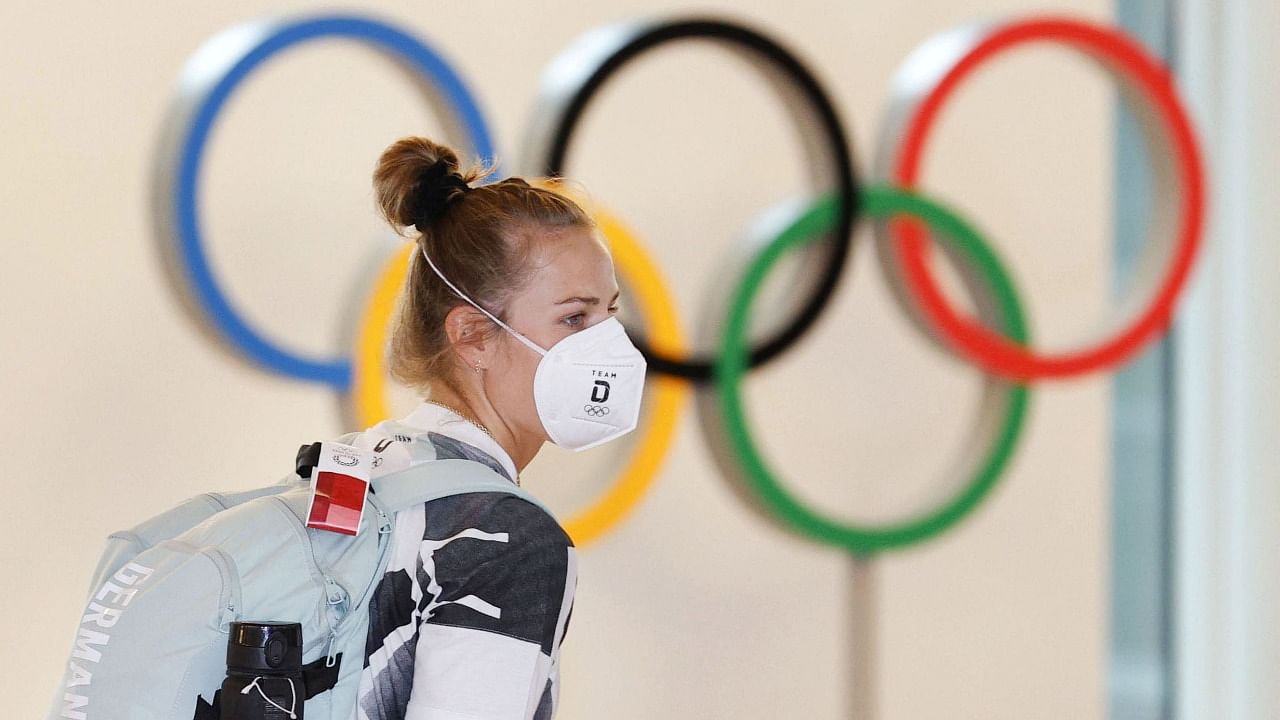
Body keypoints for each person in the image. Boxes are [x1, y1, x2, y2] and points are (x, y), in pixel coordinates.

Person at [347, 136, 647, 720]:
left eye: (609, 313)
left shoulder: (367, 467)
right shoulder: (505, 536)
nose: (607, 345)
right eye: (573, 317)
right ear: (473, 337)